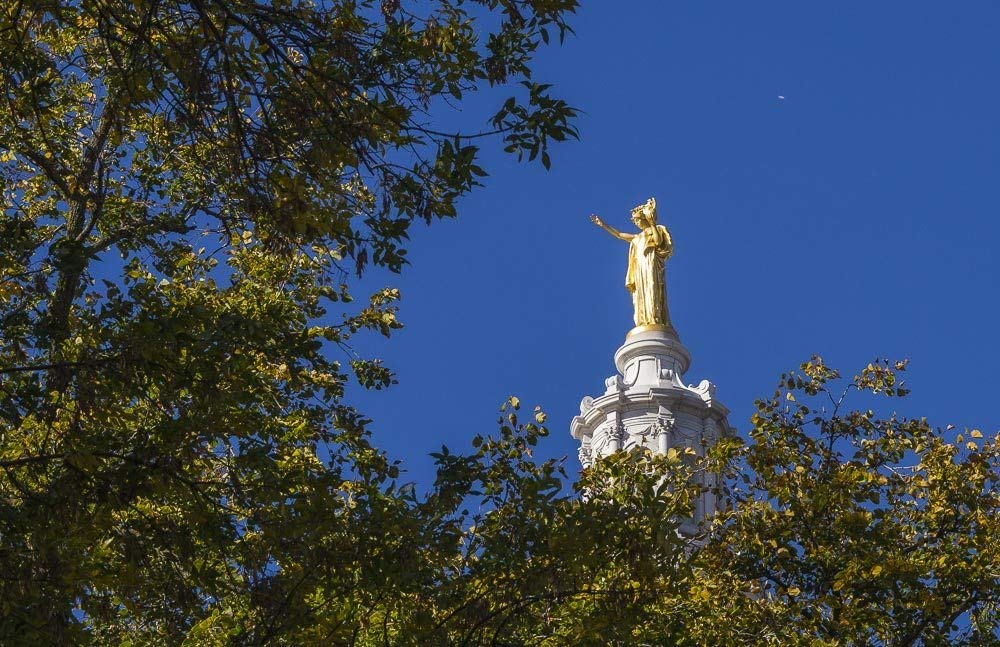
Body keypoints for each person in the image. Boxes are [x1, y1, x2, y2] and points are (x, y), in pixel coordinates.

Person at [590, 198, 674, 330]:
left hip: (650, 265)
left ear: (645, 218)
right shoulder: (637, 238)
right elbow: (619, 235)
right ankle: (645, 319)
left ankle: (654, 317)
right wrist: (603, 225)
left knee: (652, 289)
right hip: (640, 269)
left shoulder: (655, 230)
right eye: (634, 221)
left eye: (637, 219)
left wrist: (652, 222)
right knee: (641, 293)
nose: (636, 222)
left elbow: (658, 243)